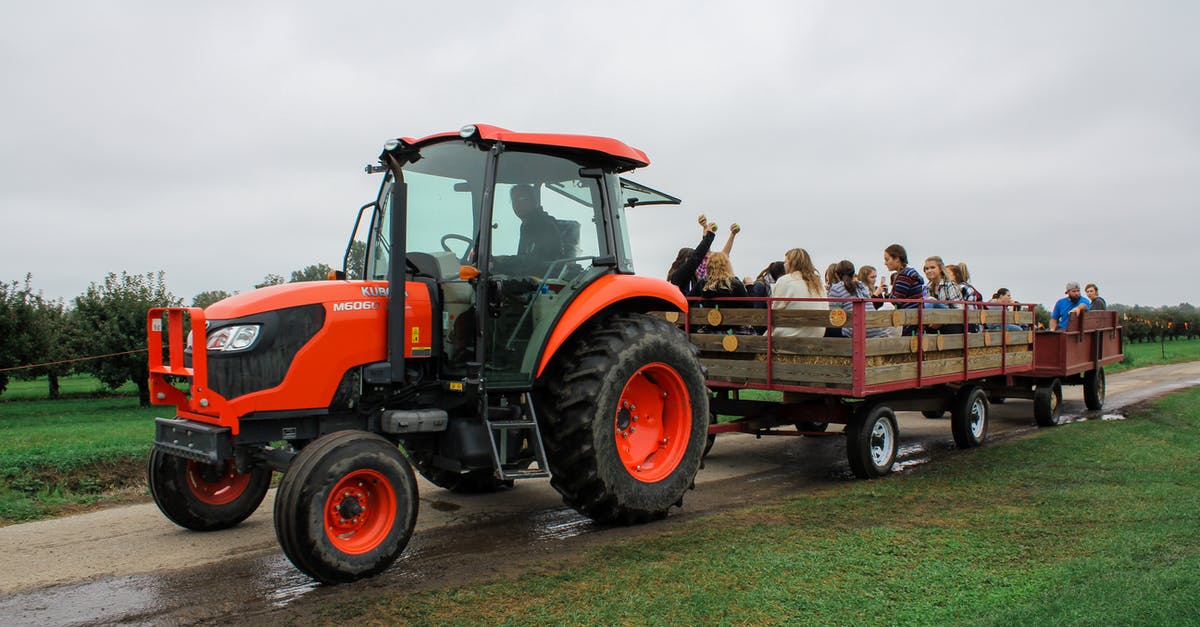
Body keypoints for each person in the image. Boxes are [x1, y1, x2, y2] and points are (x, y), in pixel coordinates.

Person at [499, 184, 565, 275]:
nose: (517, 204)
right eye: (514, 201)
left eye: (522, 199)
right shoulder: (527, 224)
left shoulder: (543, 224)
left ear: (534, 201)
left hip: (544, 279)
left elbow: (536, 261)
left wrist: (503, 261)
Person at [771, 248, 826, 338]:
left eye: (786, 262)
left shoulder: (785, 281)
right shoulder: (818, 282)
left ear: (791, 263)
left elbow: (774, 311)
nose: (784, 265)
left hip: (790, 335)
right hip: (816, 335)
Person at [827, 260, 886, 338]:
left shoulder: (836, 289)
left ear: (836, 275)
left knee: (825, 329)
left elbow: (833, 315)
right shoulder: (862, 286)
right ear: (853, 274)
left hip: (857, 330)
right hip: (875, 329)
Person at [667, 216, 718, 295]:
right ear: (687, 259)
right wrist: (709, 235)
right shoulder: (677, 275)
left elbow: (700, 255)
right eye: (691, 259)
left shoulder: (692, 277)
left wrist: (705, 236)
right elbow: (697, 256)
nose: (697, 263)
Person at [883, 244, 925, 335]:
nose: (885, 263)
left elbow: (896, 301)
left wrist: (882, 299)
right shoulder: (908, 273)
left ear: (897, 259)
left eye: (887, 259)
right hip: (914, 317)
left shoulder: (904, 276)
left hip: (907, 320)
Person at [924, 256, 963, 334]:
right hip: (935, 322)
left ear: (940, 269)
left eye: (932, 267)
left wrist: (941, 321)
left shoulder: (950, 285)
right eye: (927, 269)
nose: (929, 271)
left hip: (952, 323)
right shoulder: (928, 287)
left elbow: (959, 310)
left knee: (931, 301)